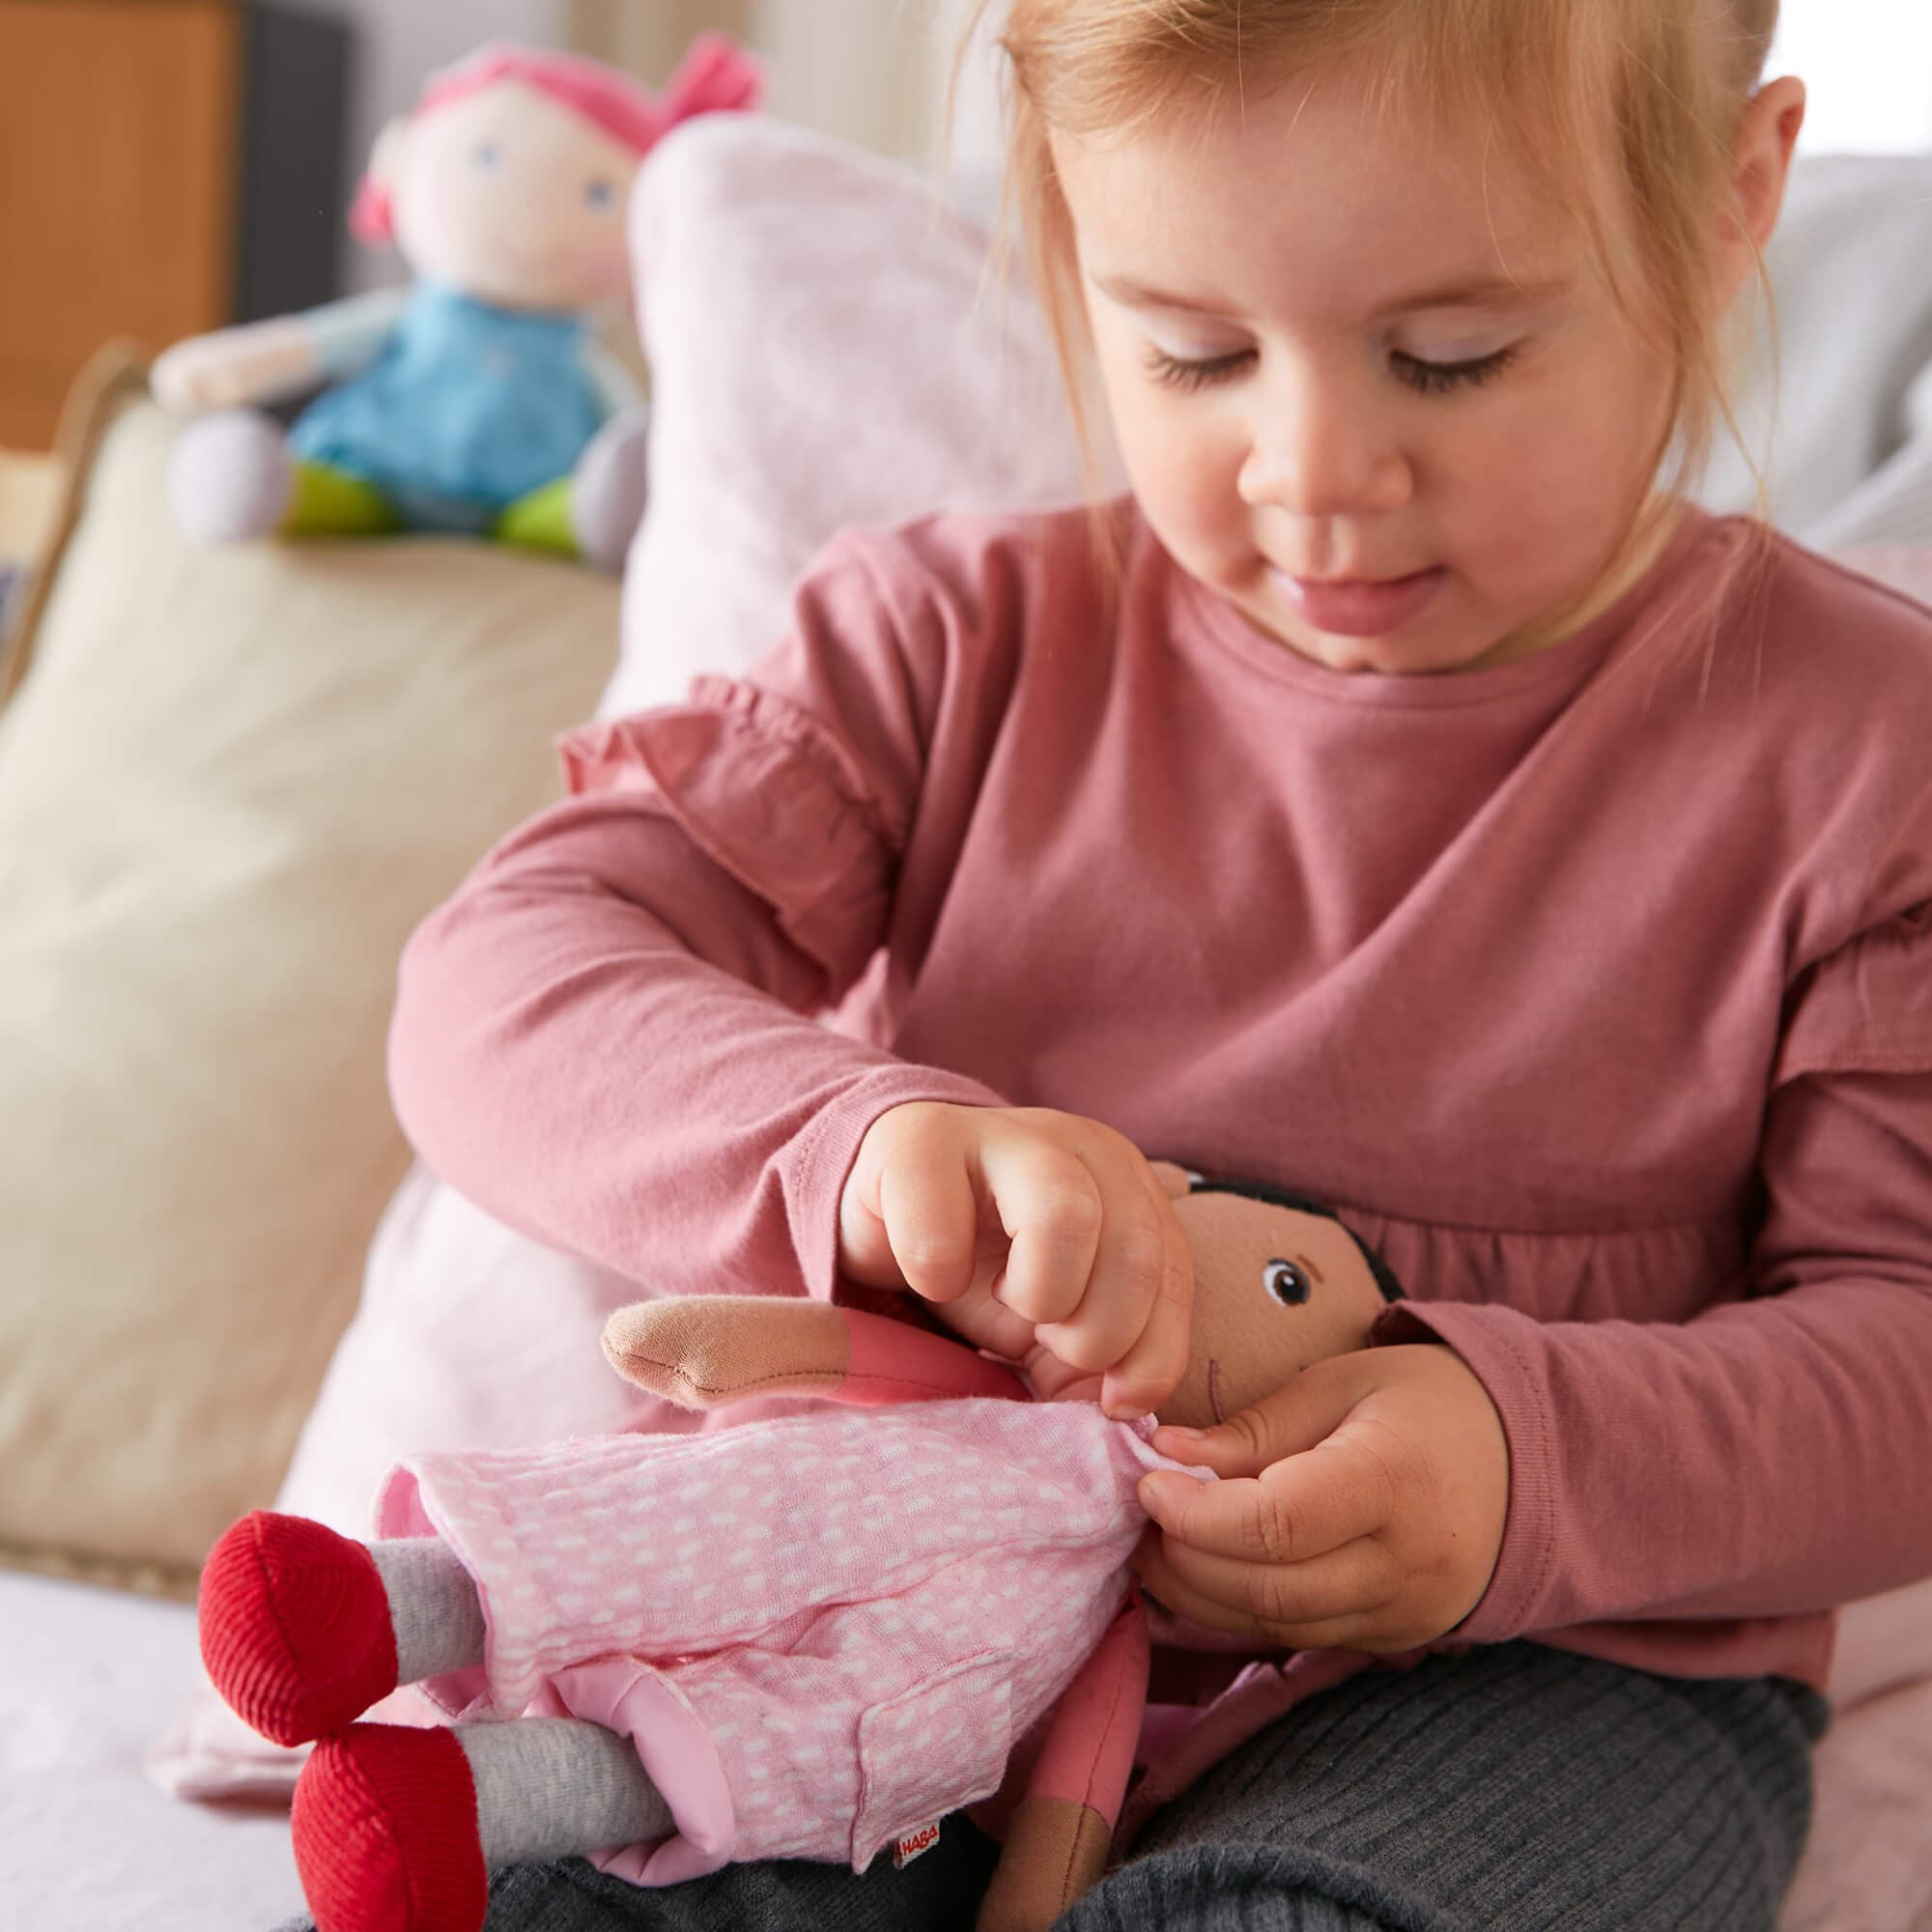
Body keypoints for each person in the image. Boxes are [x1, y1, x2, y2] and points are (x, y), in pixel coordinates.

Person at [283, 1, 1932, 1927]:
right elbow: (508, 974)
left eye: (1453, 357)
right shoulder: (945, 641)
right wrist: (854, 1147)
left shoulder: (1866, 752)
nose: (1314, 472)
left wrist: (1524, 1465)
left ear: (1729, 199)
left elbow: (1902, 1344)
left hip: (1555, 1664)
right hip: (913, 1579)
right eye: (1195, 350)